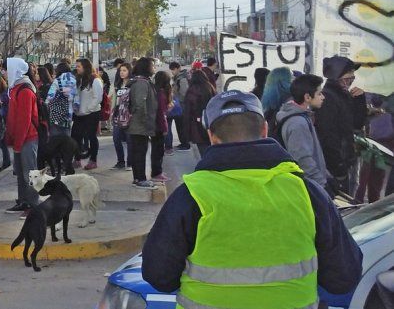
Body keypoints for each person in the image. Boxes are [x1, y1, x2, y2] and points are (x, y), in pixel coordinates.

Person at [142, 90, 363, 307]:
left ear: (211, 136)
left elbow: (159, 276)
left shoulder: (191, 195)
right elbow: (343, 277)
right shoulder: (307, 192)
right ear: (265, 129)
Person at [315, 56, 367, 194]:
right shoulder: (328, 98)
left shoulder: (344, 96)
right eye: (348, 78)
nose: (350, 81)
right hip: (336, 166)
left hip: (345, 161)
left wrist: (360, 100)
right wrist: (338, 167)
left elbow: (357, 123)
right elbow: (327, 135)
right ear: (336, 77)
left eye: (352, 78)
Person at [277, 74, 330, 189]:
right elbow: (303, 159)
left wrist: (327, 176)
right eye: (319, 93)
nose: (323, 97)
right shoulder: (298, 123)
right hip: (309, 186)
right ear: (307, 97)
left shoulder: (302, 117)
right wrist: (321, 184)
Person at [4, 58, 40, 217]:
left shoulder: (25, 90)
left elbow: (24, 120)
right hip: (19, 139)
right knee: (20, 173)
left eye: (6, 69)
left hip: (27, 138)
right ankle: (23, 201)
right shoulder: (15, 88)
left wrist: (18, 142)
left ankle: (33, 206)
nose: (4, 73)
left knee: (29, 174)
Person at [127, 57, 159, 189]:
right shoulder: (141, 83)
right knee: (140, 151)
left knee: (138, 151)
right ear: (146, 67)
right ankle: (140, 179)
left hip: (139, 124)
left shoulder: (140, 81)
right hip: (139, 124)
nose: (154, 68)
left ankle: (138, 178)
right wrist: (145, 121)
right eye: (152, 66)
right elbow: (140, 104)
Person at [72, 58, 103, 170]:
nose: (77, 68)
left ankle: (93, 160)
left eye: (79, 66)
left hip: (91, 113)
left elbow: (98, 98)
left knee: (91, 137)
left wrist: (88, 109)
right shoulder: (78, 79)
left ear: (85, 67)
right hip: (79, 114)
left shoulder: (95, 80)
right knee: (75, 136)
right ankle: (77, 159)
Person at [183, 70, 215, 156]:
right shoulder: (210, 86)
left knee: (203, 149)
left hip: (197, 124)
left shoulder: (192, 90)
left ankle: (206, 166)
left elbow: (188, 111)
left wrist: (186, 130)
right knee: (211, 146)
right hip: (211, 120)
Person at [45, 62, 79, 138]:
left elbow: (50, 96)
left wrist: (46, 105)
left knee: (55, 137)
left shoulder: (57, 80)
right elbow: (77, 99)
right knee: (66, 138)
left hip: (56, 113)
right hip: (68, 114)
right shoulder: (74, 81)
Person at [110, 62, 132, 169]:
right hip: (117, 115)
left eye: (124, 70)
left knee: (129, 140)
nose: (122, 73)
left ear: (129, 71)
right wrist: (111, 112)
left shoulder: (132, 84)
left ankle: (130, 162)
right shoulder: (117, 85)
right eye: (120, 71)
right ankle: (120, 161)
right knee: (116, 138)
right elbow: (114, 100)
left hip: (129, 115)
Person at [152, 70, 172, 182]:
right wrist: (164, 128)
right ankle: (157, 173)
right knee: (158, 150)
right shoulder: (161, 93)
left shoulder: (155, 91)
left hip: (155, 124)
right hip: (158, 126)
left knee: (157, 150)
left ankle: (157, 171)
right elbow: (161, 113)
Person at [261, 66, 293, 134]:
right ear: (284, 81)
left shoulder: (265, 108)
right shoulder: (293, 101)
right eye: (291, 77)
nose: (294, 79)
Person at [168, 61, 190, 152]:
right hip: (179, 105)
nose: (172, 72)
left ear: (177, 68)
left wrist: (175, 95)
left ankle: (185, 144)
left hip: (182, 105)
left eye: (173, 70)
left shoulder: (182, 79)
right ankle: (183, 143)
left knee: (181, 126)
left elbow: (185, 93)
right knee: (179, 126)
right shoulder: (178, 78)